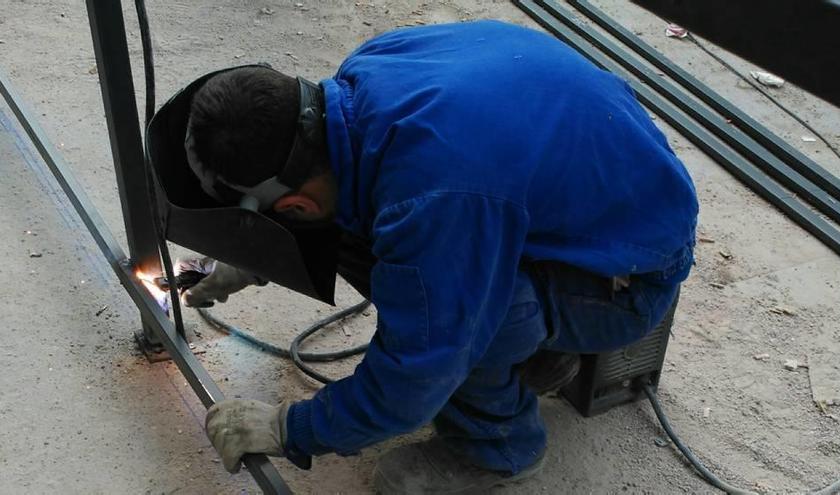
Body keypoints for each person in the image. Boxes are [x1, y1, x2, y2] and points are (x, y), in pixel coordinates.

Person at [181, 20, 698, 494]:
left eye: (285, 217)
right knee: (396, 252)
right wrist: (259, 256)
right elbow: (343, 200)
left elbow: (415, 374)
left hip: (628, 277)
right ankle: (544, 357)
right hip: (592, 204)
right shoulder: (366, 76)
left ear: (294, 205)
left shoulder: (429, 200)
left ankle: (497, 450)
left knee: (464, 323)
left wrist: (291, 428)